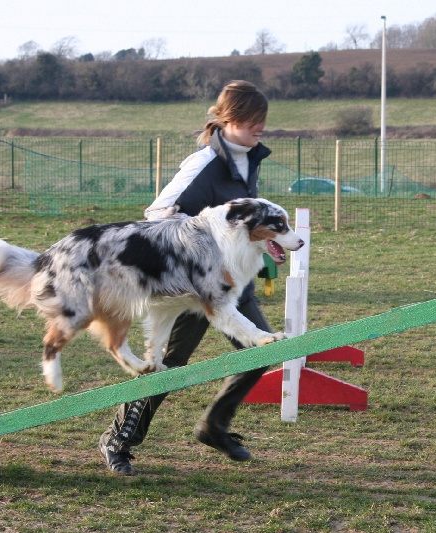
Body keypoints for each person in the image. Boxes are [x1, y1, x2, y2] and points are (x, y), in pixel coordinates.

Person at [98, 80, 276, 476]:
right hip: (188, 284)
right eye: (252, 121)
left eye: (262, 121)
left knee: (261, 351)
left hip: (232, 283)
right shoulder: (203, 164)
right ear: (227, 119)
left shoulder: (248, 160)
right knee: (169, 365)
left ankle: (215, 426)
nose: (259, 128)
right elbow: (158, 214)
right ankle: (118, 439)